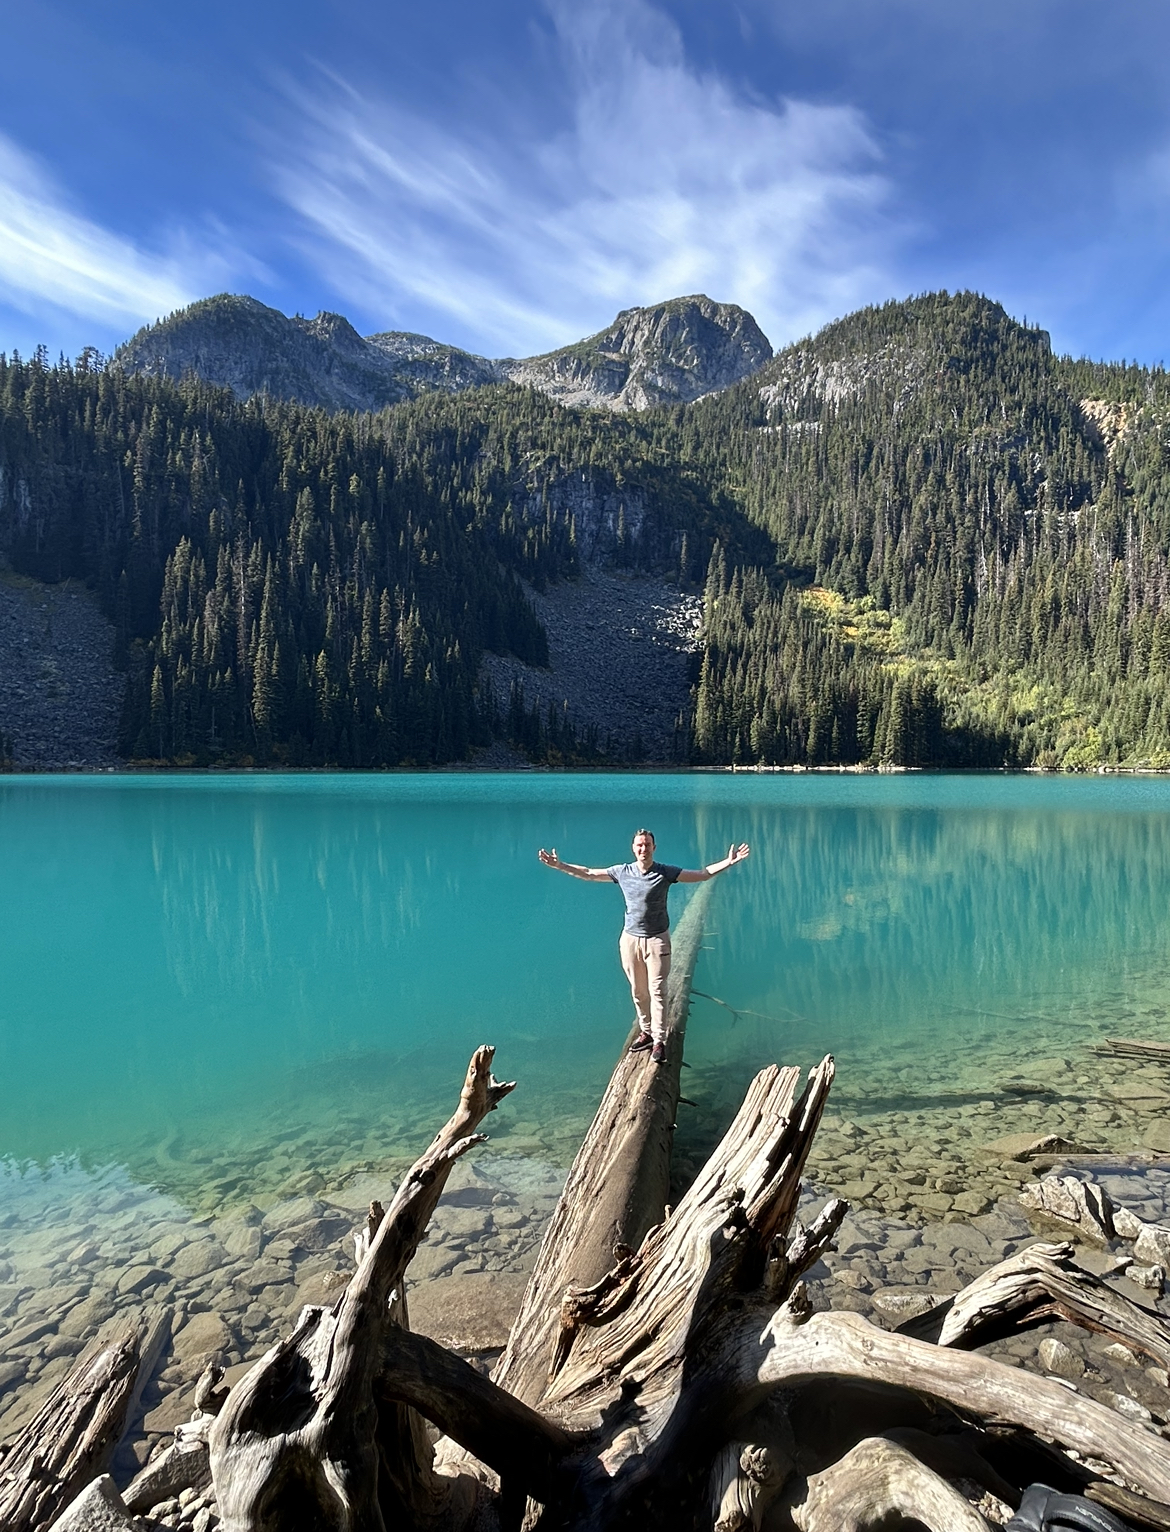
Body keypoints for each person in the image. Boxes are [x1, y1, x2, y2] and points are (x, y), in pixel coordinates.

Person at [538, 829, 750, 1065]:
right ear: (633, 848)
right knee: (639, 991)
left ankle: (659, 1040)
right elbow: (588, 873)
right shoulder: (623, 872)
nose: (643, 849)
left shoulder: (665, 872)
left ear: (654, 848)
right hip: (630, 940)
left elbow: (702, 874)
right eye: (639, 845)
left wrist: (729, 862)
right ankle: (646, 1032)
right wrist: (560, 865)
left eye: (647, 845)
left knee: (658, 991)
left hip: (657, 940)